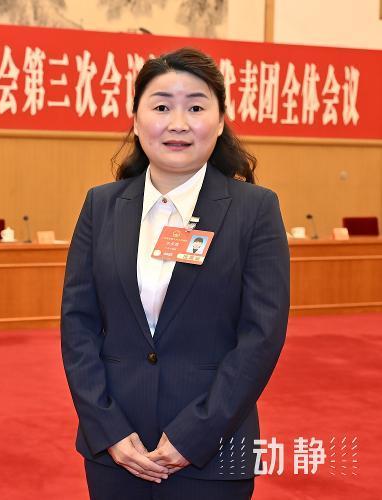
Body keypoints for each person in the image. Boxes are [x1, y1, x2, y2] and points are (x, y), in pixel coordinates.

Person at [60, 47, 289, 499]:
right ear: (136, 119)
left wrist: (195, 434)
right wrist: (106, 427)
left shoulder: (255, 210)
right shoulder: (101, 205)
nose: (178, 123)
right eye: (161, 106)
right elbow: (78, 324)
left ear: (220, 122)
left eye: (196, 108)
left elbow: (261, 336)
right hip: (115, 451)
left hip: (212, 452)